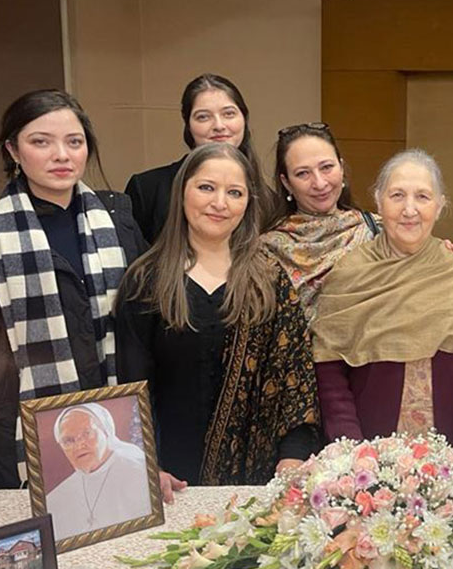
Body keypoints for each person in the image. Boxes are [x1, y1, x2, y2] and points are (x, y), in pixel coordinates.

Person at [0, 90, 148, 511]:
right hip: (23, 446)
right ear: (13, 149)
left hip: (118, 436)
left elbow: (146, 330)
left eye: (74, 142)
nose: (61, 155)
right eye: (41, 141)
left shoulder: (118, 225)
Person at [116, 143, 321, 486]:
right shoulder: (145, 281)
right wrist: (146, 467)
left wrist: (292, 459)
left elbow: (296, 385)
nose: (220, 203)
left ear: (248, 203)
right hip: (171, 485)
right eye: (206, 187)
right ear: (182, 192)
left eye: (235, 192)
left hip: (259, 485)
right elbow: (131, 389)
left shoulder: (269, 280)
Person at [312, 149, 453, 479]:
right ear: (378, 202)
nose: (409, 210)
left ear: (439, 205)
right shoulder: (351, 273)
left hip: (450, 463)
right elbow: (330, 371)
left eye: (422, 196)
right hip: (365, 462)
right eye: (397, 196)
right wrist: (350, 446)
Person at [125, 73, 272, 243]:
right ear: (188, 126)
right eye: (203, 117)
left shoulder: (269, 199)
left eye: (229, 114)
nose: (218, 126)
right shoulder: (147, 189)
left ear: (244, 120)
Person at [260, 122, 381, 323]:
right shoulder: (267, 250)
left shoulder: (380, 232)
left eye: (326, 167)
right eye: (302, 173)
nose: (319, 183)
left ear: (341, 168)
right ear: (286, 183)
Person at [46, 403, 152, 540]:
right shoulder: (54, 501)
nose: (79, 445)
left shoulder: (141, 471)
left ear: (106, 432)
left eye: (87, 433)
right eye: (68, 440)